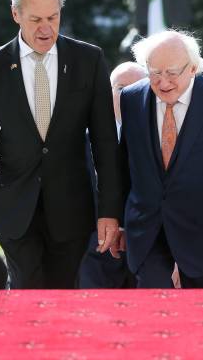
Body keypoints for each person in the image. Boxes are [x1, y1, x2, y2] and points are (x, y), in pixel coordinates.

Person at [0, 0, 124, 289]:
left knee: (63, 293)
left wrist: (109, 212)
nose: (46, 28)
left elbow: (105, 145)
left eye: (53, 16)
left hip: (72, 208)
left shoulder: (88, 61)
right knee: (26, 289)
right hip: (14, 209)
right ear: (16, 15)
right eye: (36, 19)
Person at [118, 30, 203, 288]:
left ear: (193, 68)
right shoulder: (131, 99)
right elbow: (124, 168)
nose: (163, 82)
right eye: (155, 73)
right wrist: (118, 221)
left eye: (172, 73)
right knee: (154, 315)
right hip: (147, 233)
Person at [78, 62, 146, 288]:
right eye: (121, 88)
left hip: (149, 258)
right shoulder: (80, 143)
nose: (129, 95)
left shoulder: (166, 140)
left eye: (139, 87)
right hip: (95, 257)